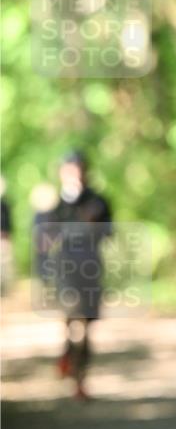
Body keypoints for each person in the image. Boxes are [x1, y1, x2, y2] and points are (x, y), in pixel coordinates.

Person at [35, 151, 112, 401]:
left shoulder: (98, 202)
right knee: (73, 320)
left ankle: (79, 374)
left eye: (78, 168)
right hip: (65, 270)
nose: (75, 173)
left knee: (86, 325)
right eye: (70, 169)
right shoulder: (54, 205)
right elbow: (44, 239)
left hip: (90, 268)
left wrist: (93, 225)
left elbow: (108, 233)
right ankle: (74, 370)